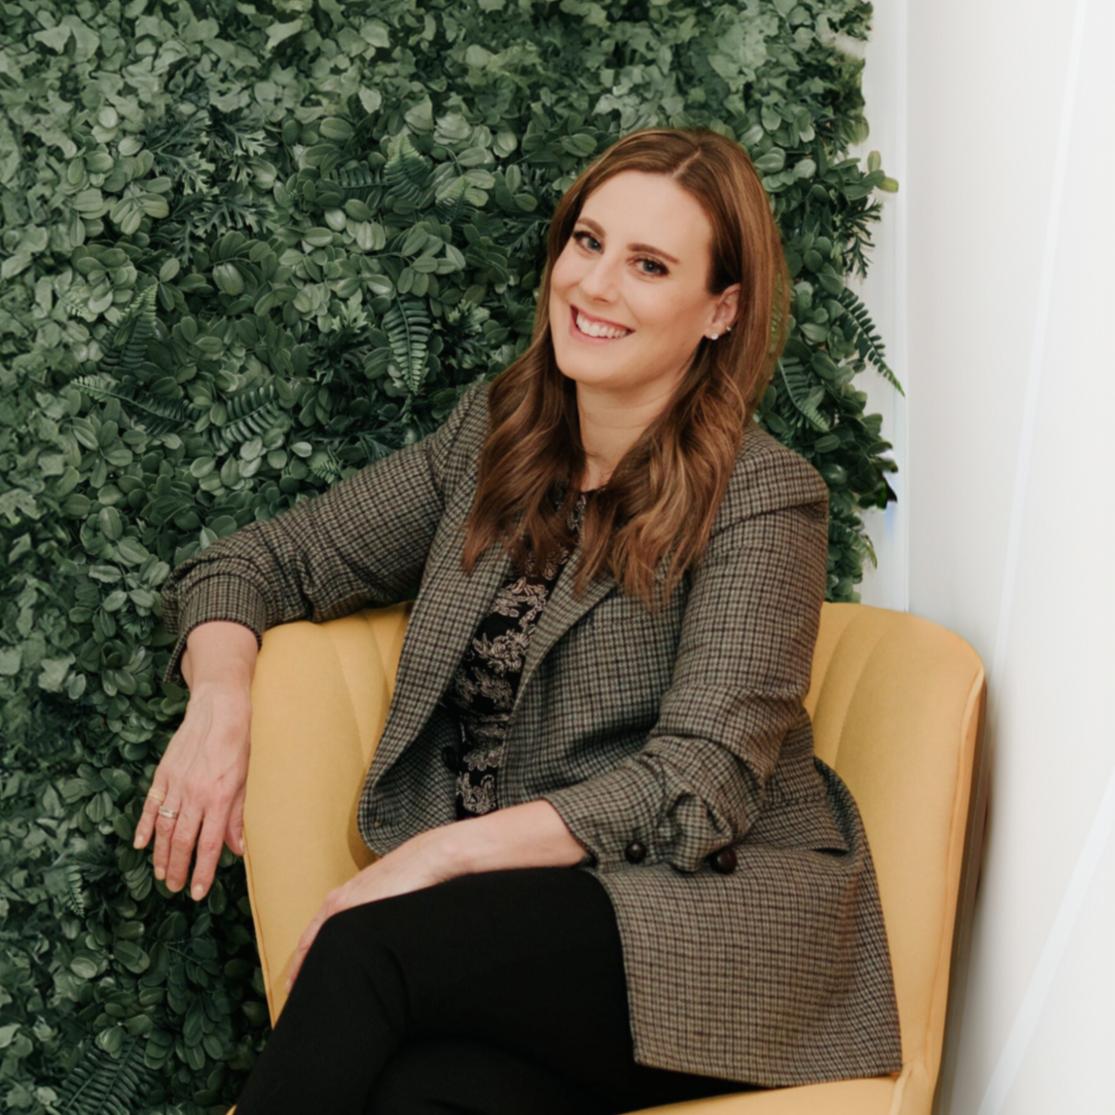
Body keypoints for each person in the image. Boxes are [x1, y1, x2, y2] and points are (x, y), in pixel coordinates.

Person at [134, 128, 902, 1114]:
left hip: (713, 923)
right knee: (418, 1095)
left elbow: (696, 783)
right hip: (532, 947)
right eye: (587, 242)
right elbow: (258, 561)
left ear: (720, 309)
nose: (595, 285)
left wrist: (436, 855)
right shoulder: (494, 440)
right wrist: (220, 700)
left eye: (649, 264)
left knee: (365, 946)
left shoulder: (763, 495)